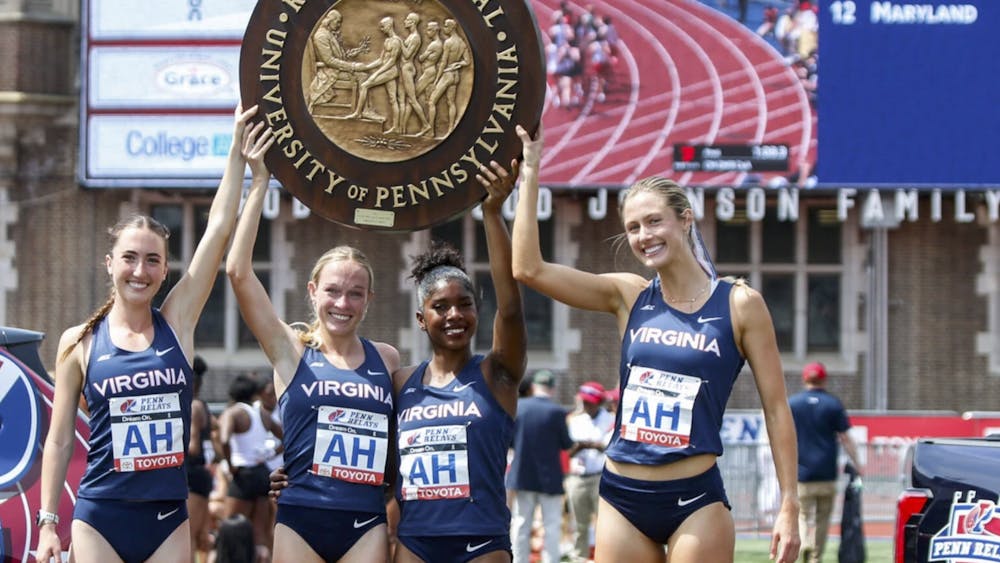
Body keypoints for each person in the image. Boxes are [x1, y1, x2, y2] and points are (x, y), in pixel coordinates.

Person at [510, 124, 800, 562]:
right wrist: (530, 172)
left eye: (653, 221)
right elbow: (528, 269)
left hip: (694, 500)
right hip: (622, 496)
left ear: (685, 219)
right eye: (632, 227)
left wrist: (789, 504)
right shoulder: (628, 295)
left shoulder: (740, 304)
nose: (644, 235)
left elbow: (777, 410)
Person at [34, 104, 272, 563]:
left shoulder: (176, 322)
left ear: (165, 270)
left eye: (152, 260)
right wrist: (48, 523)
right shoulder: (78, 342)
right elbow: (61, 439)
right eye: (129, 257)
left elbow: (218, 230)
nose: (139, 271)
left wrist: (238, 155)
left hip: (166, 518)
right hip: (100, 515)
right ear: (110, 263)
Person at [227, 140, 401, 562]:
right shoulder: (290, 349)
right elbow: (238, 271)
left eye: (355, 294)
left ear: (369, 300)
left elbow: (399, 445)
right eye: (333, 291)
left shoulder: (388, 359)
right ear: (313, 292)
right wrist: (259, 183)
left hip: (365, 522)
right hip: (301, 518)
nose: (343, 304)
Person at [390, 159, 524, 562]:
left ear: (477, 310)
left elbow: (513, 309)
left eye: (464, 304)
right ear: (421, 318)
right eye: (440, 306)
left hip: (480, 541)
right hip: (415, 541)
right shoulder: (400, 383)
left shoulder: (496, 373)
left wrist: (492, 212)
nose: (453, 315)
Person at [788, 362, 862, 563]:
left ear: (805, 379)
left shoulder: (793, 404)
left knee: (802, 515)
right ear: (824, 379)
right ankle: (815, 556)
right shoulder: (833, 404)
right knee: (822, 518)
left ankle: (804, 542)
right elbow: (846, 437)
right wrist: (858, 463)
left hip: (801, 473)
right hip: (827, 473)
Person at [506, 369, 574, 563]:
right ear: (552, 389)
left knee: (520, 523)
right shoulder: (557, 412)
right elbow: (567, 444)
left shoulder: (519, 407)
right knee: (551, 525)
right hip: (550, 476)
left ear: (534, 386)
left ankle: (519, 560)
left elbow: (509, 442)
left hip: (522, 474)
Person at [218, 373, 283, 562]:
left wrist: (230, 465)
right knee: (260, 532)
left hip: (243, 473)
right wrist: (269, 454)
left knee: (230, 529)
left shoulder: (233, 412)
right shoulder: (262, 412)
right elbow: (285, 438)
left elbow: (223, 439)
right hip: (262, 473)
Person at [564, 381, 614, 562]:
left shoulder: (610, 419)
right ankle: (579, 557)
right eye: (584, 401)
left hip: (601, 476)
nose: (586, 405)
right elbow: (566, 451)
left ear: (599, 402)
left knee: (605, 523)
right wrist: (579, 447)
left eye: (590, 401)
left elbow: (612, 448)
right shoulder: (575, 419)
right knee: (579, 523)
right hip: (578, 476)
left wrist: (594, 445)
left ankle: (605, 557)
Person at [189, 355, 221, 561]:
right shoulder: (204, 407)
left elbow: (192, 447)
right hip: (202, 477)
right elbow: (216, 429)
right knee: (200, 537)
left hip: (190, 475)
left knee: (188, 537)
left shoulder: (191, 407)